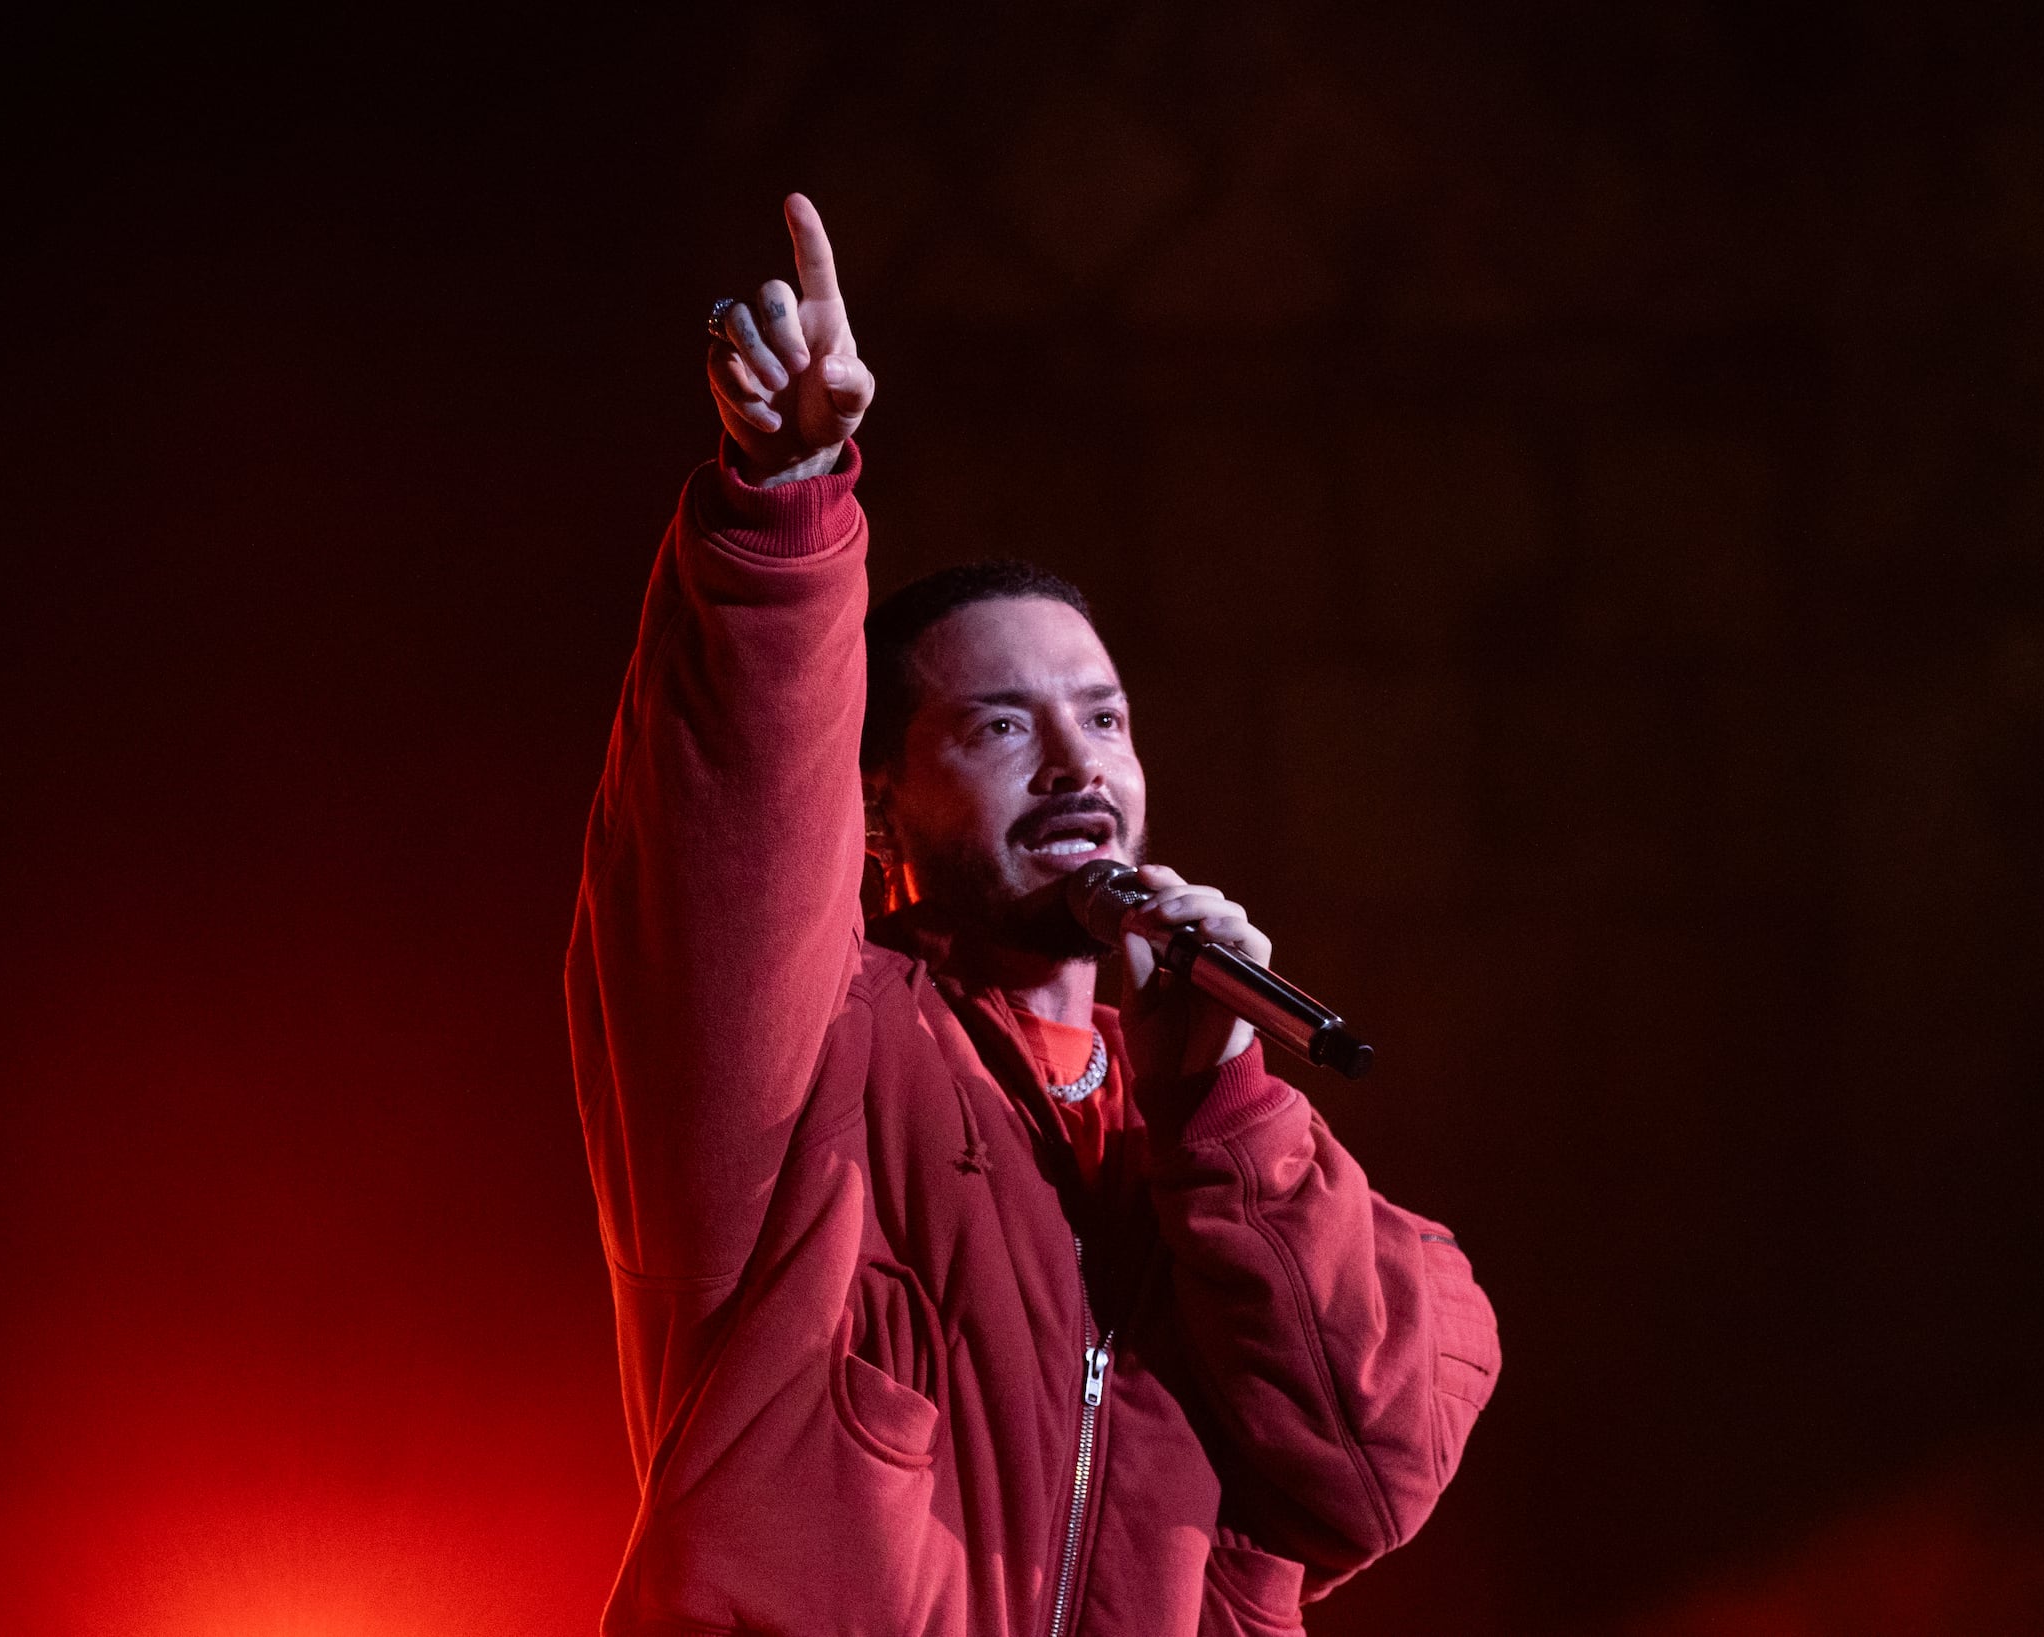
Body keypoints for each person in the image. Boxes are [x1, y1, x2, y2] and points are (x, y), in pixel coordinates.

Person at [566, 194, 1499, 1637]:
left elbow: (1373, 1472)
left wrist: (1221, 1107)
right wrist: (785, 501)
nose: (1077, 764)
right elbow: (725, 845)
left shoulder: (1205, 1135)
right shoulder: (818, 1060)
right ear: (880, 809)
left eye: (1105, 718)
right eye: (1002, 724)